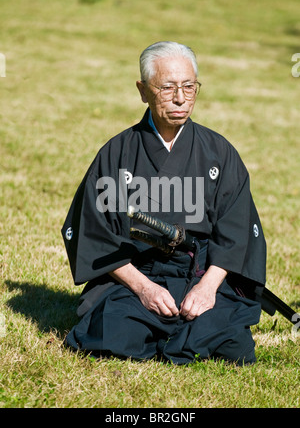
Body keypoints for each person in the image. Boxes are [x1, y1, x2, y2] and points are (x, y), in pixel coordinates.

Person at [62, 41, 267, 365]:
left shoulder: (219, 152)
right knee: (112, 333)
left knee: (233, 346)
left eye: (189, 86)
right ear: (143, 90)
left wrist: (208, 288)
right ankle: (163, 326)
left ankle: (179, 327)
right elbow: (95, 236)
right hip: (137, 272)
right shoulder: (117, 154)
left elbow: (235, 232)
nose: (180, 98)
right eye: (167, 87)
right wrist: (144, 289)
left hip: (198, 270)